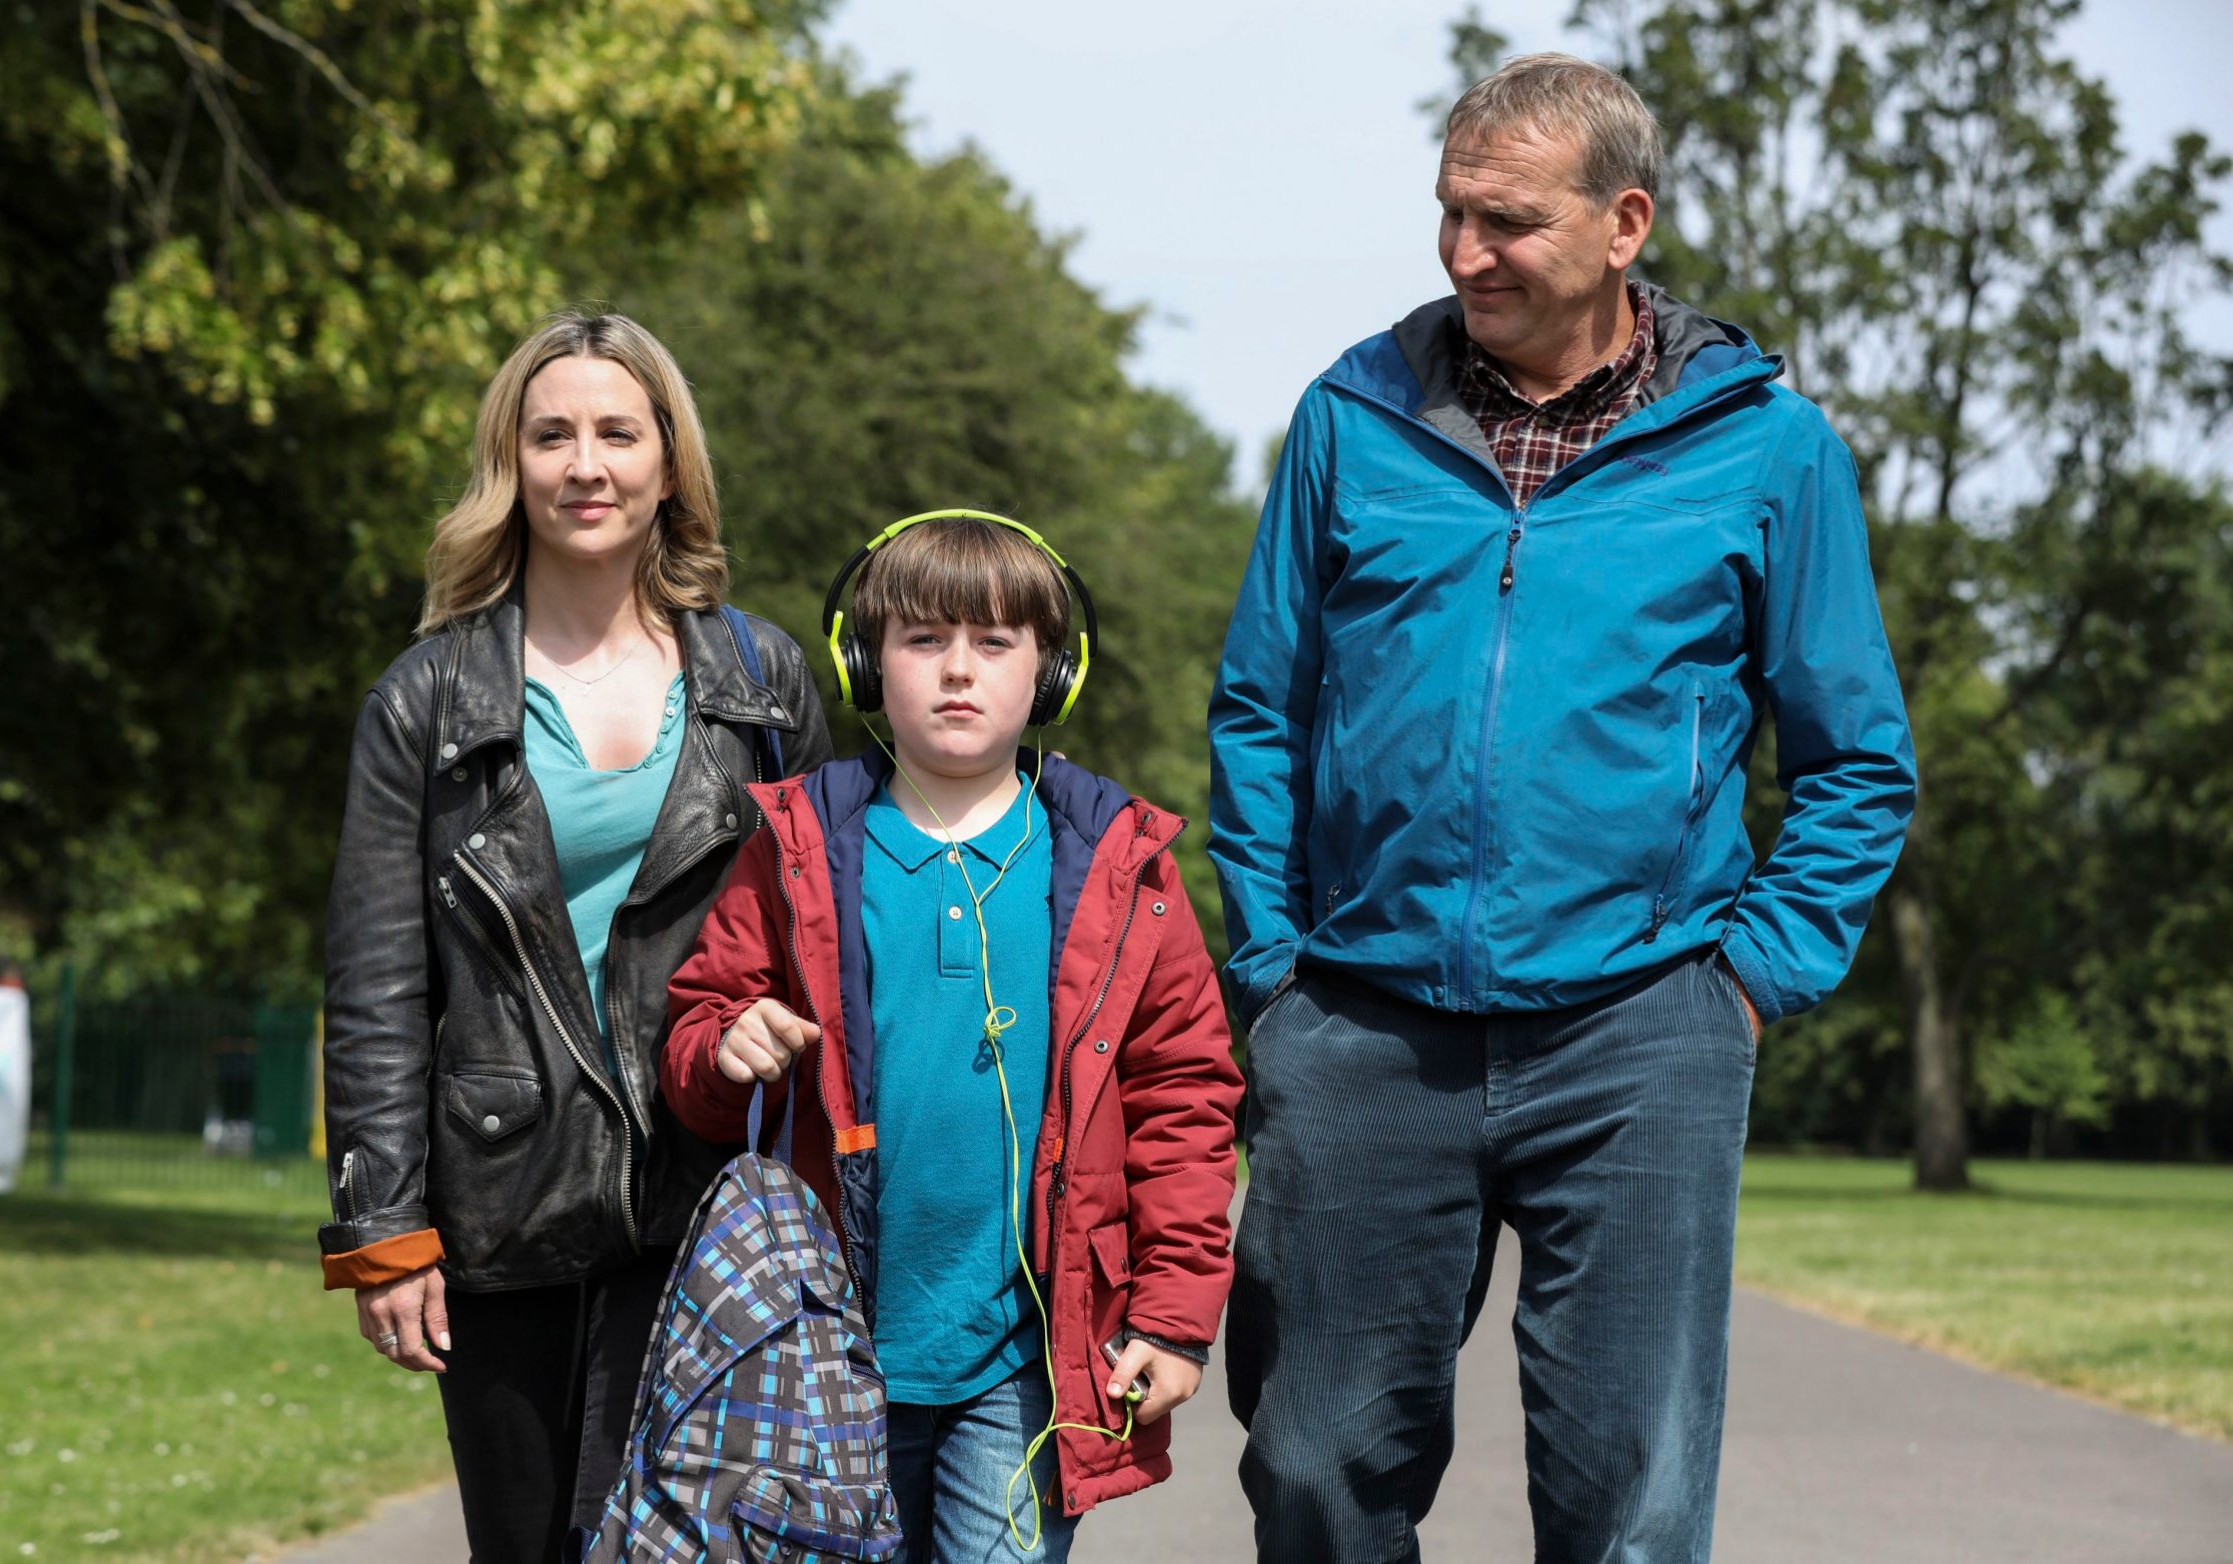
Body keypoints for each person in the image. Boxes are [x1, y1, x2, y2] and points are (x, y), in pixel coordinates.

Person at [1209, 53, 1919, 1563]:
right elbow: (1261, 708)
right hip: (1359, 1017)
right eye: (1450, 214)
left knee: (1630, 1503)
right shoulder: (1352, 417)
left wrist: (1745, 982)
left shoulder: (1768, 450)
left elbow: (1855, 759)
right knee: (1314, 1469)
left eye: (1508, 221)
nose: (1467, 254)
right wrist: (1271, 970)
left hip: (1642, 1028)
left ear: (1623, 224)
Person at [315, 310, 833, 1562]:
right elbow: (378, 983)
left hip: (711, 1199)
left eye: (618, 430)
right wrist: (381, 1234)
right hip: (503, 1205)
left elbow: (821, 951)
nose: (584, 464)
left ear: (669, 462)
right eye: (551, 435)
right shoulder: (426, 697)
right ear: (513, 463)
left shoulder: (764, 683)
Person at [658, 514, 1244, 1563]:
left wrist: (1171, 1316)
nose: (959, 672)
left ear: (1052, 672)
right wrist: (723, 1046)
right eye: (924, 641)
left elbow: (1185, 1101)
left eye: (996, 643)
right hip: (824, 1356)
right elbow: (700, 1038)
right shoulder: (797, 848)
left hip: (1024, 1367)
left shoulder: (1125, 868)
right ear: (864, 665)